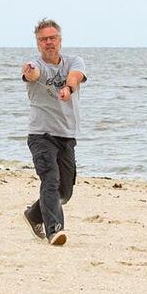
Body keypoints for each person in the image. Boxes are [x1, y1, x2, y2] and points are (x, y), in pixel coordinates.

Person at [21, 19, 87, 246]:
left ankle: (33, 214)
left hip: (67, 135)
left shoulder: (74, 61)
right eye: (43, 39)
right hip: (41, 135)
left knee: (64, 192)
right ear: (38, 44)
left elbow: (75, 76)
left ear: (59, 40)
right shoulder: (34, 64)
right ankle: (54, 230)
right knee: (50, 179)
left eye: (52, 38)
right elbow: (32, 73)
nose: (48, 42)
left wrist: (68, 88)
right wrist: (30, 73)